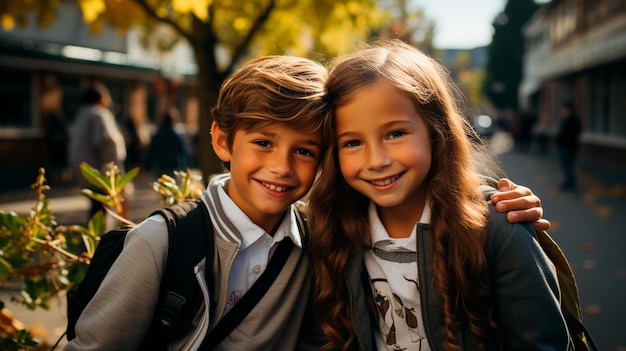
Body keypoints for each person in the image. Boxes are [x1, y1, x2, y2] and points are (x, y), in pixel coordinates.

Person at [64, 55, 549, 351]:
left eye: (304, 151)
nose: (281, 166)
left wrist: (498, 204)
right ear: (221, 140)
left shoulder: (319, 238)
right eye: (262, 144)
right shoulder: (166, 243)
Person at [306, 40, 571, 350]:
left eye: (395, 134)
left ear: (435, 131)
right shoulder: (329, 230)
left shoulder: (498, 229)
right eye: (352, 142)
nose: (376, 160)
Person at [68, 83, 127, 220]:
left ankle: (94, 236)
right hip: (99, 173)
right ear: (100, 98)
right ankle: (102, 238)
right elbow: (108, 143)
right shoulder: (99, 114)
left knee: (96, 207)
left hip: (83, 171)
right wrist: (114, 174)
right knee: (103, 209)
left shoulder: (80, 115)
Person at [144, 107, 191, 178]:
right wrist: (187, 165)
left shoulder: (158, 135)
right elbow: (184, 152)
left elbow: (151, 151)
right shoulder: (177, 136)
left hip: (161, 166)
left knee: (162, 186)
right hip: (174, 166)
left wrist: (147, 166)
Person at [555, 101, 582, 191]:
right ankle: (569, 182)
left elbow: (565, 134)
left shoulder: (570, 120)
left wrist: (559, 140)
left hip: (567, 146)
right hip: (570, 146)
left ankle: (570, 183)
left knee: (567, 165)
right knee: (568, 165)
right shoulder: (572, 119)